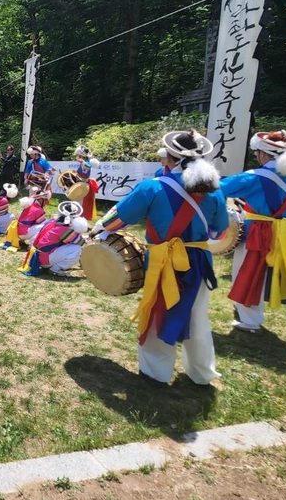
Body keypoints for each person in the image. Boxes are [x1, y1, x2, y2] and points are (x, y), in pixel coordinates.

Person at [89, 129, 228, 385]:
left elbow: (121, 216)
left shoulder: (152, 187)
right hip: (198, 260)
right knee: (197, 315)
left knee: (158, 310)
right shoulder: (215, 191)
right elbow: (220, 228)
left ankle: (157, 371)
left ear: (168, 158)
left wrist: (99, 229)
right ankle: (201, 372)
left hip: (164, 260)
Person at [219, 130, 286, 334]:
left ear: (264, 154)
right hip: (284, 231)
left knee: (247, 272)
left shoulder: (254, 177)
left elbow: (217, 189)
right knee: (265, 273)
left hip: (255, 230)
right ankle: (250, 313)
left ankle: (250, 320)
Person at [20, 200, 89, 276]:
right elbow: (80, 242)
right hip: (43, 259)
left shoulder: (53, 221)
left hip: (38, 256)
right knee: (77, 249)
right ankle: (55, 269)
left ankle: (51, 266)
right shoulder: (65, 228)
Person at [2, 185, 50, 251]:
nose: (46, 202)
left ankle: (21, 241)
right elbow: (40, 222)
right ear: (41, 199)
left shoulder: (30, 205)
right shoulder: (38, 209)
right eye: (45, 200)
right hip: (22, 232)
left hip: (16, 230)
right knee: (43, 226)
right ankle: (32, 245)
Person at [73, 146, 101, 220]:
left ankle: (77, 218)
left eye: (78, 155)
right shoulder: (85, 163)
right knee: (77, 202)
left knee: (79, 202)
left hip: (82, 185)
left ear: (81, 156)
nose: (77, 157)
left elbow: (84, 176)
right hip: (81, 185)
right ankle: (76, 218)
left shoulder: (86, 164)